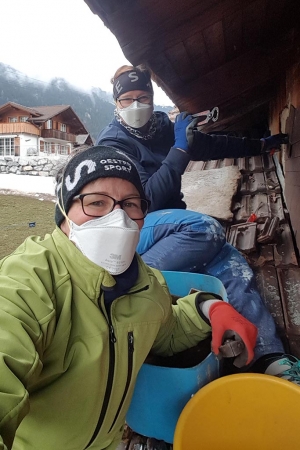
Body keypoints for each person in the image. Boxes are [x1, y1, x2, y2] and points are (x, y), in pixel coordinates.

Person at [0, 145, 258, 450]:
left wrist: (208, 308)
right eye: (96, 203)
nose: (118, 218)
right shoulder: (28, 282)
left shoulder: (146, 282)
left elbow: (164, 331)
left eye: (131, 204)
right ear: (64, 212)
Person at [96, 64, 300, 383]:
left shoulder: (162, 125)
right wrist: (179, 149)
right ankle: (127, 282)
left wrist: (261, 145)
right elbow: (145, 197)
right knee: (205, 229)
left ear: (151, 99)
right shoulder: (114, 146)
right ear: (117, 103)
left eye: (143, 97)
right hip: (131, 232)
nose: (137, 106)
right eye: (127, 99)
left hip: (167, 228)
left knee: (232, 263)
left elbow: (211, 146)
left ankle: (267, 356)